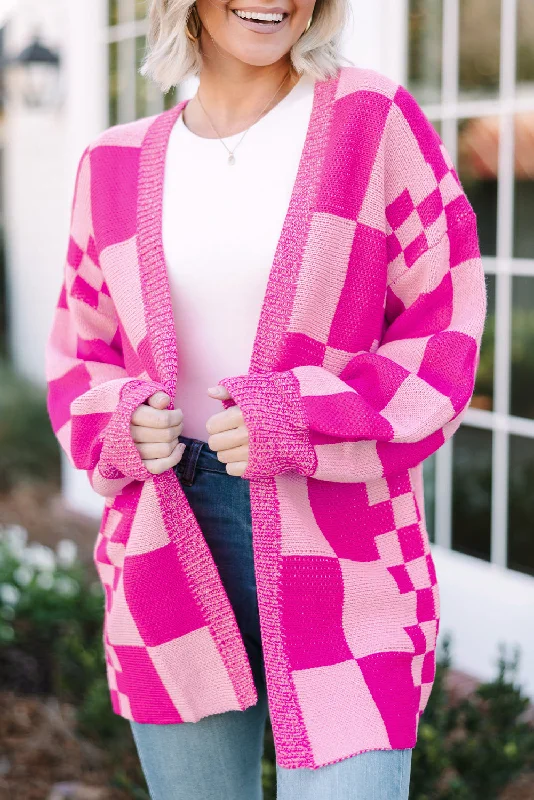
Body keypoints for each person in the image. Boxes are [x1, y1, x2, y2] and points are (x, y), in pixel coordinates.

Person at [44, 0, 488, 797]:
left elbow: (442, 328)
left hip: (349, 543)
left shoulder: (373, 122)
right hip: (164, 538)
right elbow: (84, 350)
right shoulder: (110, 163)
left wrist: (304, 420)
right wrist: (121, 425)